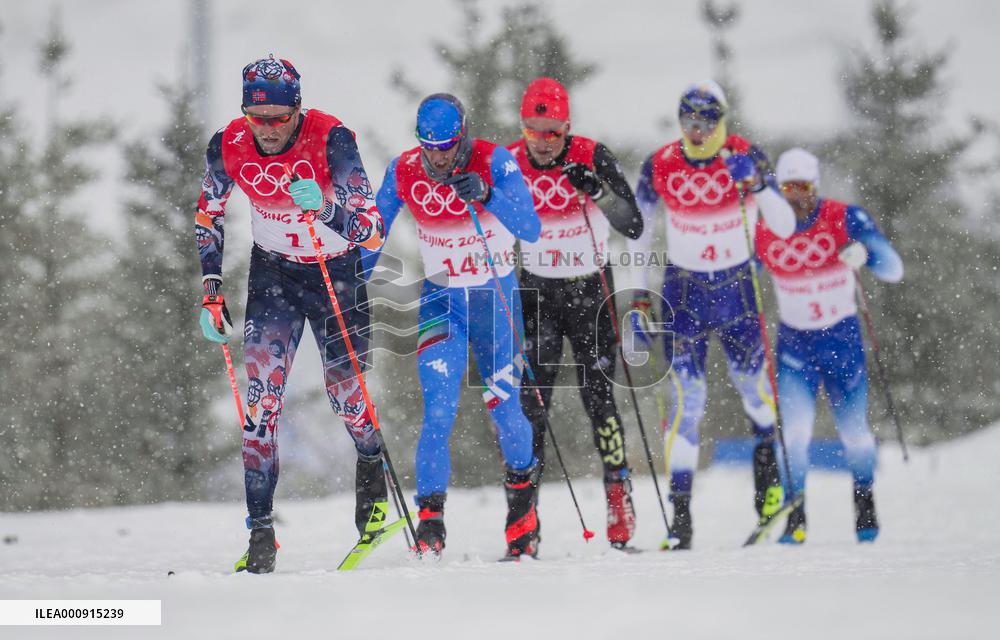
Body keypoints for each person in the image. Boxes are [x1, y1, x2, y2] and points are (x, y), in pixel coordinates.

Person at [195, 55, 386, 573]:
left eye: (280, 117)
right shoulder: (229, 143)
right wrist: (212, 286)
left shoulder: (332, 139)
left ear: (297, 109)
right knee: (260, 404)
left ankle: (372, 468)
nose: (270, 129)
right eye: (259, 117)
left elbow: (372, 229)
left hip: (335, 273)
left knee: (346, 396)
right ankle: (260, 533)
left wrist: (326, 210)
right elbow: (208, 212)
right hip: (273, 275)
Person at [370, 94, 543, 559]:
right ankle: (431, 524)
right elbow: (372, 234)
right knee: (439, 412)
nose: (438, 156)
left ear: (462, 135)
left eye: (446, 145)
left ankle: (523, 512)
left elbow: (531, 227)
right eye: (429, 146)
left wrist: (488, 195)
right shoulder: (404, 169)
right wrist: (349, 284)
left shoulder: (495, 161)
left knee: (505, 409)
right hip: (442, 300)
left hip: (495, 301)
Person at [628, 80, 796, 549]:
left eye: (707, 120)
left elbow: (783, 226)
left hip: (736, 291)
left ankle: (770, 493)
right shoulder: (661, 163)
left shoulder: (746, 155)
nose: (697, 130)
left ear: (723, 120)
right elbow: (639, 232)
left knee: (754, 394)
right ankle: (681, 521)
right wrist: (638, 297)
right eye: (688, 120)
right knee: (687, 405)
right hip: (684, 294)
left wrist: (759, 184)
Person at [507, 77, 644, 550]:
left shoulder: (591, 154)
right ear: (522, 128)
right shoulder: (510, 160)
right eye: (533, 131)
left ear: (568, 128)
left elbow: (634, 223)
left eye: (553, 133)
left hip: (590, 293)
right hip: (537, 297)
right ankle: (524, 521)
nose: (543, 143)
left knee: (599, 400)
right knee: (532, 408)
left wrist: (599, 193)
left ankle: (618, 494)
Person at [756, 148, 902, 544]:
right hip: (795, 346)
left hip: (842, 340)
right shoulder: (764, 226)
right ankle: (796, 515)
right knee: (797, 434)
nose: (795, 196)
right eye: (786, 187)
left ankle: (864, 503)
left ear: (815, 186)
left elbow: (894, 268)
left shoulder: (843, 216)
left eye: (803, 186)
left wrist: (866, 254)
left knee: (854, 433)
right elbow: (743, 277)